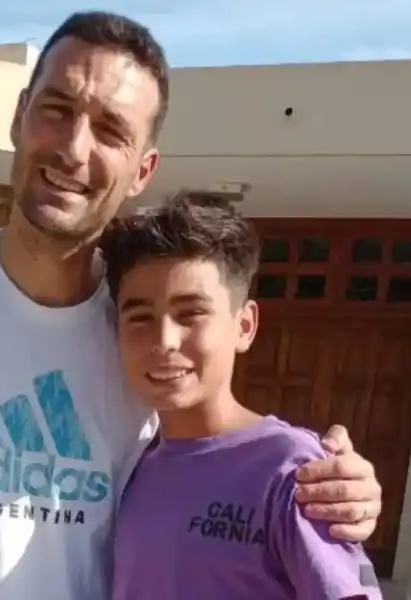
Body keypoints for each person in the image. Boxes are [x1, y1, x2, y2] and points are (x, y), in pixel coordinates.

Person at [0, 11, 383, 600]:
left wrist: (330, 483)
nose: (74, 148)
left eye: (111, 130)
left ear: (141, 170)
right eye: (56, 109)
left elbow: (218, 449)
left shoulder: (139, 325)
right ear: (19, 117)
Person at [103, 196, 382, 600]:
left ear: (245, 326)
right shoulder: (131, 464)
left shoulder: (292, 470)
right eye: (140, 317)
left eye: (191, 314)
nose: (164, 341)